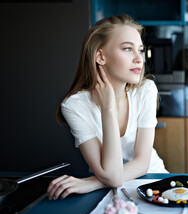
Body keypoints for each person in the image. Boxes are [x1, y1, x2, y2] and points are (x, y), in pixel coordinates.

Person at [47, 15, 168, 200]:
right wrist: (108, 109)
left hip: (153, 180)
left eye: (140, 50)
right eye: (128, 49)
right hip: (107, 191)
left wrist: (90, 183)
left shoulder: (145, 90)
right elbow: (112, 176)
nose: (139, 59)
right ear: (101, 56)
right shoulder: (74, 106)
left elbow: (142, 163)